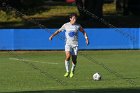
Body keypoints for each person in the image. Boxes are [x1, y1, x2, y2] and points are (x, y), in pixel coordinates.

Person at [49, 13, 89, 78]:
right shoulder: (66, 25)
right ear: (70, 19)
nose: (75, 20)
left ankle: (72, 71)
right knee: (68, 56)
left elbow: (83, 32)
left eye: (75, 18)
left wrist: (86, 39)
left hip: (75, 45)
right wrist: (52, 36)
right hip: (68, 44)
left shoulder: (78, 26)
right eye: (73, 18)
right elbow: (59, 31)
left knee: (74, 59)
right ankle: (67, 71)